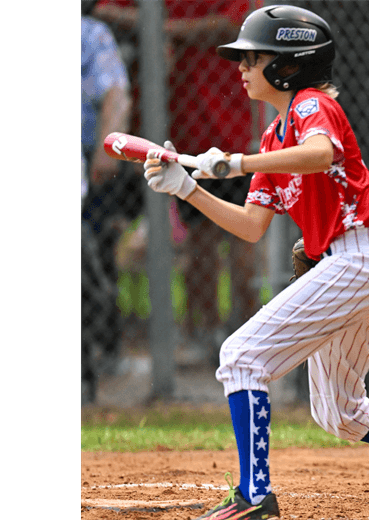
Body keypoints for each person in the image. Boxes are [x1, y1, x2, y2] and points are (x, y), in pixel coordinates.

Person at [140, 7, 369, 520]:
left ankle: (254, 497)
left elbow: (318, 155)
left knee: (242, 356)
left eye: (255, 58)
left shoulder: (312, 106)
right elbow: (250, 226)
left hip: (359, 257)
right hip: (361, 263)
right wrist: (189, 187)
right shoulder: (272, 135)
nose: (242, 68)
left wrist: (236, 164)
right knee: (341, 413)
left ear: (289, 65)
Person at [94, 0, 260, 357]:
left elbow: (234, 25)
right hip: (186, 132)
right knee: (199, 236)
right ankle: (205, 332)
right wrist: (148, 21)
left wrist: (163, 29)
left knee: (243, 234)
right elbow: (104, 8)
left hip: (230, 133)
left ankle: (251, 331)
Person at [80, 0, 136, 386]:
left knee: (94, 256)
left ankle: (96, 355)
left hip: (86, 159)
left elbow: (116, 92)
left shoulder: (88, 33)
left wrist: (106, 150)